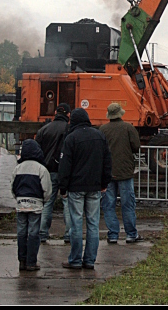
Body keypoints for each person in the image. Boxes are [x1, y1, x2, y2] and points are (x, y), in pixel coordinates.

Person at [58, 108, 112, 270]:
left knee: (76, 223)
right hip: (95, 186)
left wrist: (63, 187)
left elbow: (65, 166)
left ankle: (75, 260)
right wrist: (104, 183)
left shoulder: (71, 138)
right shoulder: (99, 136)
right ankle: (89, 260)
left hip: (76, 187)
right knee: (93, 224)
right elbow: (107, 162)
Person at [100, 103, 142, 244]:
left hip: (107, 173)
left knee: (108, 205)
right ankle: (131, 234)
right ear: (121, 114)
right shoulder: (129, 128)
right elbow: (136, 147)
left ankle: (113, 235)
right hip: (125, 172)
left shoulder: (103, 130)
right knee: (128, 204)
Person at [11, 139, 52, 271]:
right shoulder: (41, 169)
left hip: (21, 203)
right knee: (34, 233)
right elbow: (47, 189)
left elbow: (13, 186)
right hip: (36, 205)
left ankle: (21, 261)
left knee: (21, 232)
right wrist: (43, 201)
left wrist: (18, 198)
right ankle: (31, 262)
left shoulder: (18, 168)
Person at [35, 102, 72, 244]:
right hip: (65, 172)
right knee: (67, 203)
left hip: (47, 171)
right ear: (68, 114)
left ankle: (43, 233)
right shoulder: (69, 130)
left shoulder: (44, 130)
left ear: (55, 113)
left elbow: (37, 151)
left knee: (47, 203)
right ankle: (68, 234)